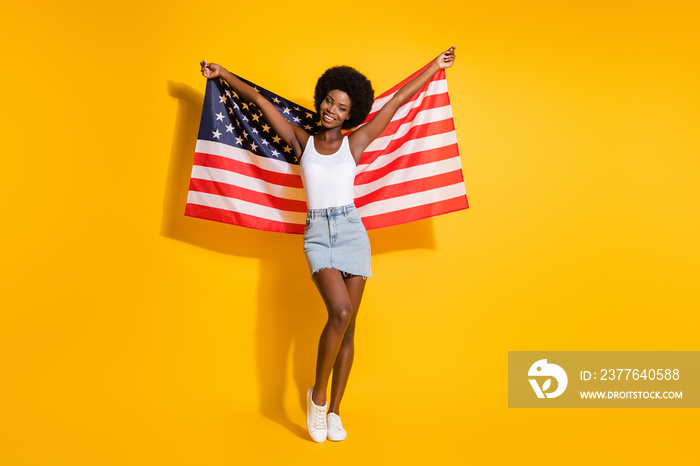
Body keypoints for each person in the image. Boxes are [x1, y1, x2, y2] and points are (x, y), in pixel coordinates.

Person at [200, 46, 456, 442]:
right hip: (318, 235)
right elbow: (259, 100)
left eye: (341, 106)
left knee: (349, 328)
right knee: (339, 311)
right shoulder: (302, 142)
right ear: (321, 100)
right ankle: (317, 399)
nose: (331, 110)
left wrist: (434, 67)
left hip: (353, 232)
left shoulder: (356, 143)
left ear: (351, 113)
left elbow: (400, 100)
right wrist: (224, 74)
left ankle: (335, 413)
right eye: (328, 101)